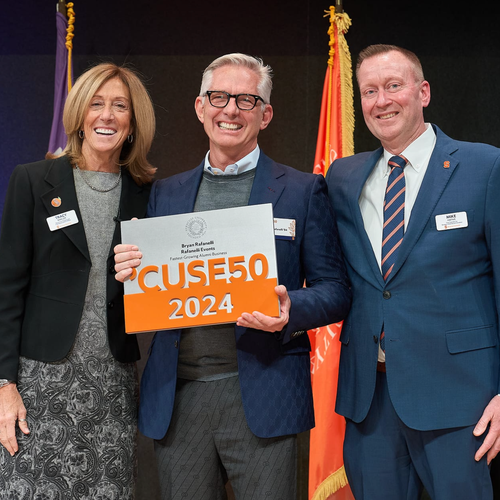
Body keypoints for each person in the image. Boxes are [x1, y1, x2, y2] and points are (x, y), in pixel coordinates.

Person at [114, 53, 351, 500]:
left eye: (247, 99)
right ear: (200, 107)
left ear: (266, 114)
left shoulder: (302, 189)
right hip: (180, 398)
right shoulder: (164, 192)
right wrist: (129, 269)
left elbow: (336, 290)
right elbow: (149, 280)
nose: (231, 110)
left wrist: (290, 309)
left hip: (264, 395)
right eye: (219, 97)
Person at [325, 43, 500, 500]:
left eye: (393, 86)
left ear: (422, 92)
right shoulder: (343, 178)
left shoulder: (485, 166)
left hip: (461, 400)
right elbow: (333, 276)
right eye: (368, 91)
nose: (380, 100)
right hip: (370, 402)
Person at [0, 62, 156, 499]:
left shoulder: (149, 193)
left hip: (113, 383)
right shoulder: (32, 181)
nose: (106, 115)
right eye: (96, 103)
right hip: (38, 385)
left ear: (132, 122)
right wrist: (3, 386)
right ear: (79, 115)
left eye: (119, 106)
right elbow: (6, 290)